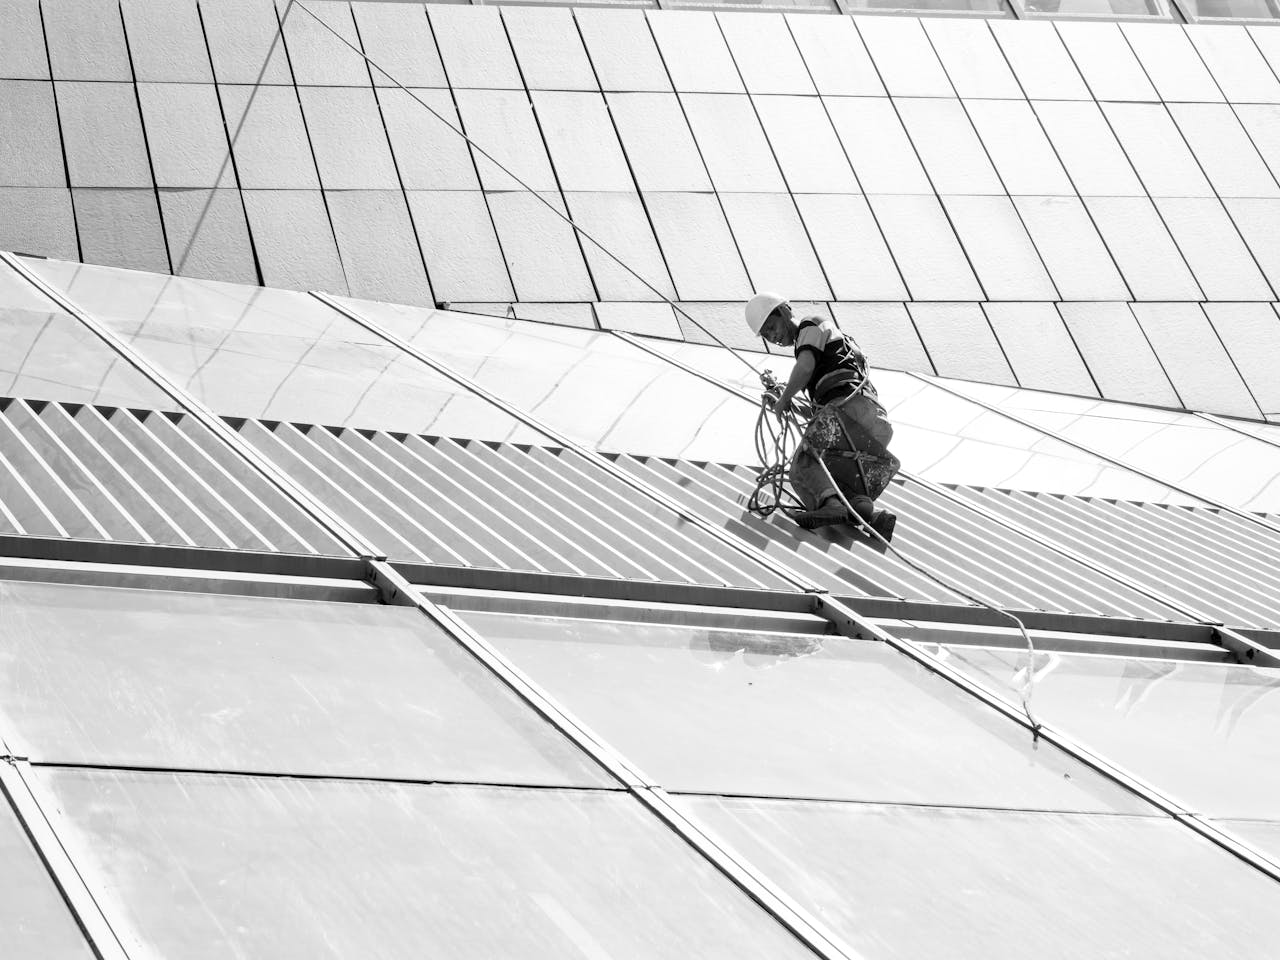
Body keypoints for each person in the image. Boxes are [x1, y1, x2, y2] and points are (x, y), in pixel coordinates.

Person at [745, 292, 900, 541]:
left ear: (784, 311)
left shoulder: (811, 325)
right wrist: (787, 400)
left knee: (803, 465)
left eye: (772, 327)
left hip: (848, 409)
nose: (773, 337)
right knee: (840, 482)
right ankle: (873, 516)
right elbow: (820, 411)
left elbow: (805, 367)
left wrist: (784, 399)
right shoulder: (831, 348)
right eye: (766, 335)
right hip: (870, 419)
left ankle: (831, 505)